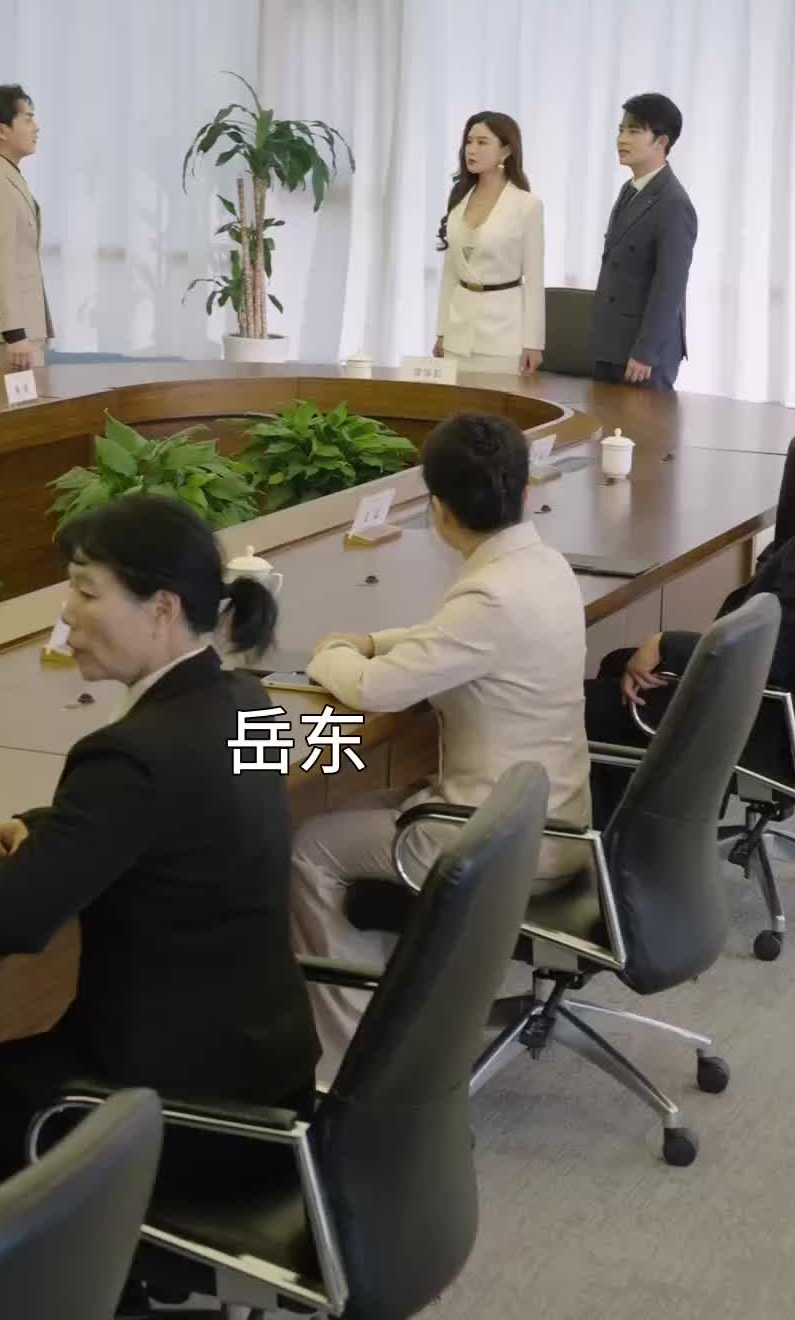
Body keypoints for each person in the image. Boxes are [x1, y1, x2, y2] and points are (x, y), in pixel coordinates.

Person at [0, 495, 319, 1239]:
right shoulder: (246, 701)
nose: (67, 615)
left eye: (87, 593)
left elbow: (1, 919)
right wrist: (49, 829)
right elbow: (188, 812)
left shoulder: (131, 756)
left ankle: (50, 1286)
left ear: (161, 609)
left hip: (176, 1112)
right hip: (267, 1079)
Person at [290, 412, 589, 1084]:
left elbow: (373, 689)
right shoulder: (544, 566)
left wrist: (331, 653)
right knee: (362, 808)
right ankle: (396, 1009)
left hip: (496, 839)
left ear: (439, 509)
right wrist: (375, 639)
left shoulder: (489, 596)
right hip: (556, 820)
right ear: (522, 489)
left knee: (309, 846)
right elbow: (449, 637)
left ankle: (351, 1064)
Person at [584, 398, 795, 826]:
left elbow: (771, 658)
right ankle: (653, 833)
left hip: (767, 717)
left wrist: (666, 644)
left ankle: (638, 847)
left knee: (588, 707)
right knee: (616, 665)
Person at [590, 92, 697, 390]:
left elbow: (670, 287)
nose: (622, 139)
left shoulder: (674, 202)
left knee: (639, 422)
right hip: (612, 343)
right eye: (621, 130)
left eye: (634, 131)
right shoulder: (631, 188)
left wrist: (645, 352)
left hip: (643, 355)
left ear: (661, 142)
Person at [434, 111, 544, 374]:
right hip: (458, 333)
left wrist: (534, 344)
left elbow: (535, 280)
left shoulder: (527, 205)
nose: (471, 149)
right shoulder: (459, 198)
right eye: (469, 141)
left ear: (505, 150)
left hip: (503, 335)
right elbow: (450, 272)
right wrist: (441, 331)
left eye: (482, 142)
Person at [0, 83, 53, 371]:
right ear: (1, 130)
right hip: (11, 338)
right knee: (12, 402)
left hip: (21, 331)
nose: (36, 127)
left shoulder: (5, 174)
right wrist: (14, 334)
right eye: (27, 119)